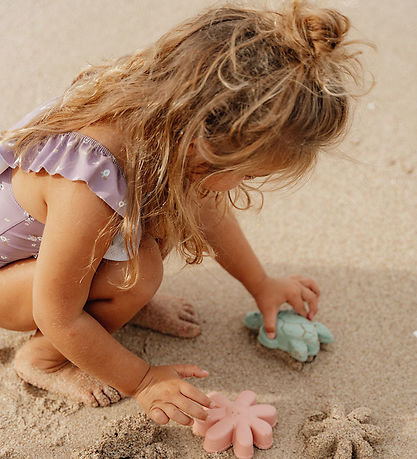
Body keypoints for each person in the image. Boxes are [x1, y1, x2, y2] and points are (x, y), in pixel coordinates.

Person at [0, 1, 369, 426]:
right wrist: (143, 381)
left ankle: (117, 305)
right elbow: (57, 314)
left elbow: (208, 209)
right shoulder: (89, 185)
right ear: (200, 144)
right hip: (12, 275)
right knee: (136, 272)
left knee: (173, 212)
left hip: (54, 254)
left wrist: (262, 283)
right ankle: (43, 358)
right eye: (246, 174)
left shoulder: (164, 124)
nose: (244, 185)